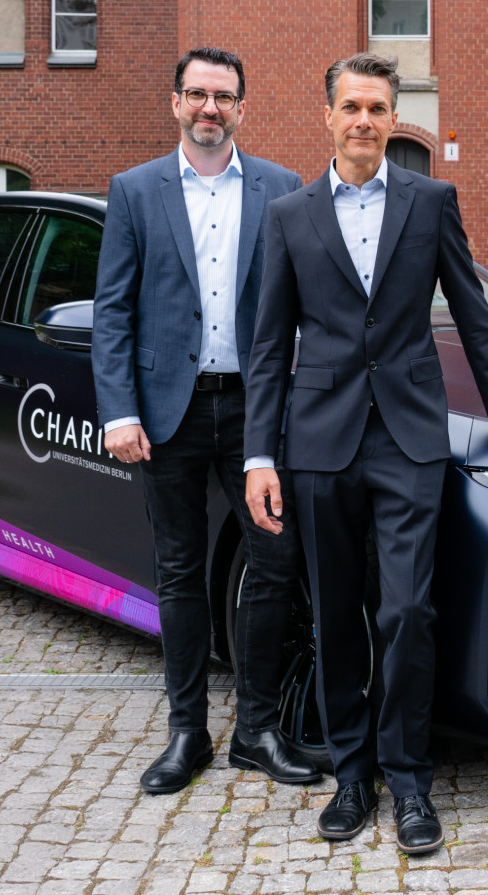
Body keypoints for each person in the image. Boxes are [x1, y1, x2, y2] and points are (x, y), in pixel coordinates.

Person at [242, 52, 488, 854]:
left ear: (395, 118)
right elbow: (266, 347)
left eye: (378, 108)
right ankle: (353, 777)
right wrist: (260, 455)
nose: (364, 121)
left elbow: (472, 312)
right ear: (328, 116)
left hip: (408, 441)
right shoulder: (289, 215)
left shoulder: (431, 202)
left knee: (407, 612)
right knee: (334, 617)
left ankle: (410, 780)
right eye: (351, 107)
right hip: (318, 443)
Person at [92, 47, 319, 792]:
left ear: (243, 108)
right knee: (181, 571)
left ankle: (255, 730)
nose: (209, 108)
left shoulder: (284, 189)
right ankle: (187, 732)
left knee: (274, 562)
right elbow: (113, 313)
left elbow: (305, 313)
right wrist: (119, 409)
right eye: (196, 94)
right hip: (167, 415)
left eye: (223, 96)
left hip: (258, 414)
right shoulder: (135, 190)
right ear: (176, 102)